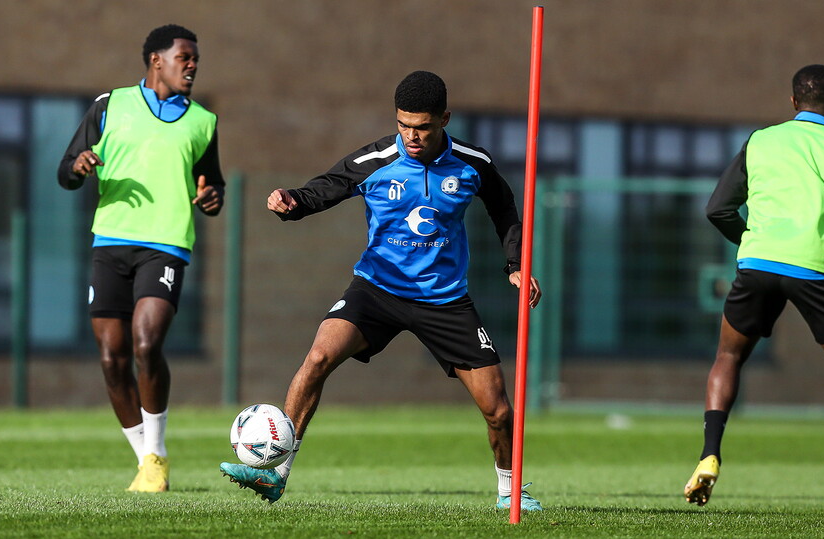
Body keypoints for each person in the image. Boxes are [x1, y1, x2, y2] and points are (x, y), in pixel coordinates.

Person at [220, 70, 543, 510]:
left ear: (444, 119)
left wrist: (516, 264)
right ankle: (275, 474)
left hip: (444, 300)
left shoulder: (473, 163)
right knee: (318, 358)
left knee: (499, 411)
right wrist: (292, 202)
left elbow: (503, 206)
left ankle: (511, 494)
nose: (412, 136)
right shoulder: (377, 158)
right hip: (377, 289)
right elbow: (329, 187)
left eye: (422, 127)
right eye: (403, 125)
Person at [683, 64, 824, 514]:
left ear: (793, 103)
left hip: (757, 262)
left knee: (728, 356)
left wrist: (753, 241)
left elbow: (717, 209)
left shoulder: (760, 140)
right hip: (818, 269)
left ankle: (709, 455)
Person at [57, 24, 224, 493]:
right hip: (110, 242)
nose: (192, 65)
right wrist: (79, 166)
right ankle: (148, 462)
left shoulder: (203, 121)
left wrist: (213, 198)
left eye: (195, 58)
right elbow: (65, 171)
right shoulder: (108, 106)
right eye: (184, 57)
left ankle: (157, 452)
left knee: (146, 344)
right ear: (156, 60)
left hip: (166, 245)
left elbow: (212, 183)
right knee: (113, 358)